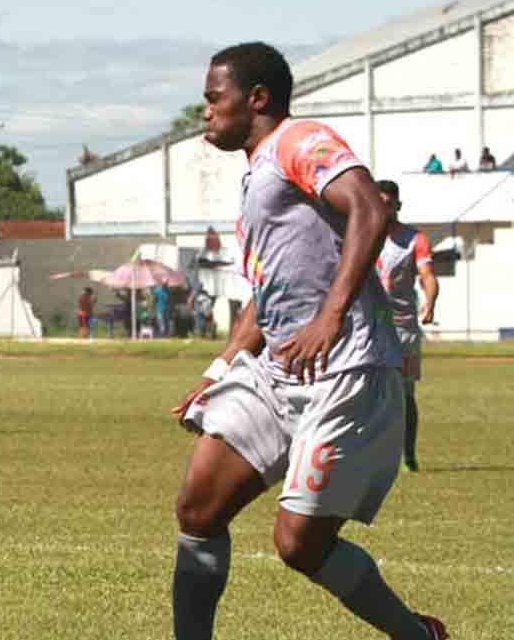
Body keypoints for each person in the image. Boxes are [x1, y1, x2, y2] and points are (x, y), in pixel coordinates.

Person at [170, 42, 447, 640]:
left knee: (298, 545)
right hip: (279, 370)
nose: (206, 112)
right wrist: (220, 372)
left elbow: (369, 207)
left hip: (345, 372)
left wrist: (332, 313)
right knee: (198, 507)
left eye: (215, 99)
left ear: (258, 99)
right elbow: (267, 296)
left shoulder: (299, 141)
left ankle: (418, 636)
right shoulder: (259, 172)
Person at [375, 180, 439, 472]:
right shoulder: (360, 233)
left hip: (403, 328)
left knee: (405, 394)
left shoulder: (415, 239)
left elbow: (427, 275)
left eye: (389, 203)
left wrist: (430, 302)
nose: (384, 208)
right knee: (367, 393)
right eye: (380, 202)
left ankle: (408, 455)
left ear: (398, 206)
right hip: (368, 327)